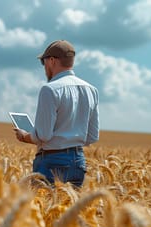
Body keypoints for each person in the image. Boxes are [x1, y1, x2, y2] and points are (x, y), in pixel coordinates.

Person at [14, 40, 99, 187]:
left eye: (44, 62)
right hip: (78, 160)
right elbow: (92, 136)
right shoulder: (91, 89)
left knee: (44, 208)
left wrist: (25, 136)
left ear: (52, 61)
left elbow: (44, 135)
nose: (44, 67)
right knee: (71, 209)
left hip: (52, 161)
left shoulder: (50, 89)